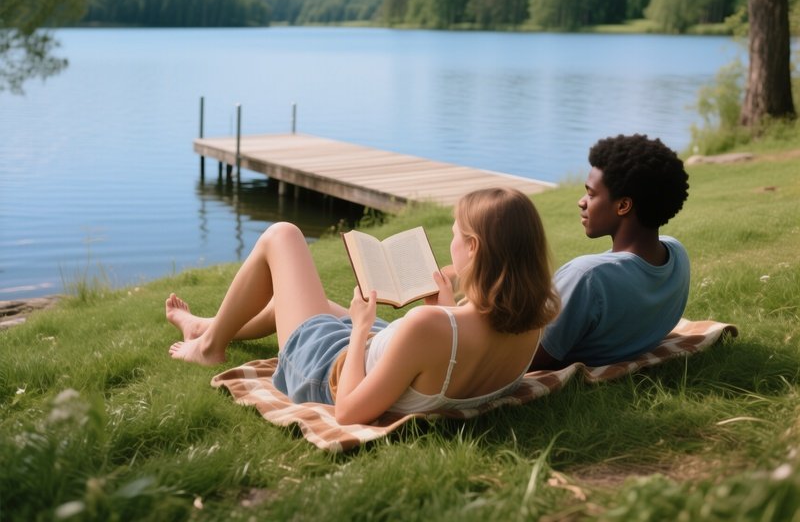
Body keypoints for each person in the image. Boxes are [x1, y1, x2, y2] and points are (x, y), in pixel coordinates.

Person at [167, 187, 560, 425]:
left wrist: (358, 329)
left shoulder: (428, 326)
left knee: (282, 235)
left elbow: (349, 411)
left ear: (473, 248)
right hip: (389, 353)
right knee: (299, 300)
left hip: (326, 373)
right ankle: (208, 324)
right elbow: (458, 352)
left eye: (457, 235)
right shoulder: (531, 320)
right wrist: (445, 305)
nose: (452, 243)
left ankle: (208, 346)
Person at [530, 134, 690, 369]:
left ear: (623, 206)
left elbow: (530, 358)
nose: (581, 202)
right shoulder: (677, 254)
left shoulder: (587, 276)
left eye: (591, 194)